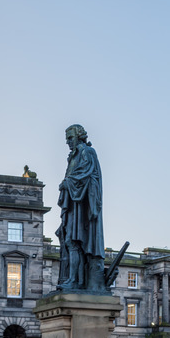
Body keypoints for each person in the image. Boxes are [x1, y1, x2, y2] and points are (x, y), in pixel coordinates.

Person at [56, 124, 107, 292]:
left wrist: (67, 183)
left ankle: (74, 281)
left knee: (75, 241)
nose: (68, 142)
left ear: (79, 136)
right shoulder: (73, 156)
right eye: (67, 139)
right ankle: (73, 280)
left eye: (70, 138)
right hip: (73, 204)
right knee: (70, 241)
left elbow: (87, 175)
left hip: (82, 207)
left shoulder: (87, 152)